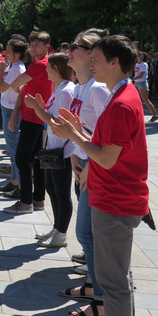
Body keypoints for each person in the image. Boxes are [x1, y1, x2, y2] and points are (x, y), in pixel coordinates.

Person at [51, 36, 149, 316]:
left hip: (114, 200)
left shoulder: (120, 103)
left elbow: (106, 158)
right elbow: (105, 147)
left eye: (96, 59)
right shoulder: (121, 94)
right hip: (114, 196)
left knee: (113, 282)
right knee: (118, 276)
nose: (91, 65)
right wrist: (78, 133)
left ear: (114, 62)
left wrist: (74, 136)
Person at [56, 29, 110, 316]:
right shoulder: (80, 86)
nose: (70, 50)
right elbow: (82, 129)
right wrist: (77, 156)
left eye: (76, 46)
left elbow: (105, 134)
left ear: (90, 55)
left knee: (87, 234)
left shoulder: (98, 89)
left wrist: (89, 163)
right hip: (83, 164)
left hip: (93, 167)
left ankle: (101, 300)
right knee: (87, 232)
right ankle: (92, 285)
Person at [23, 53, 75, 247]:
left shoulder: (67, 91)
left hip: (63, 150)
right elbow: (53, 115)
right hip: (54, 146)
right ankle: (57, 227)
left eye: (48, 67)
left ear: (56, 68)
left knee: (61, 193)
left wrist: (37, 109)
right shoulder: (60, 89)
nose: (45, 70)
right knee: (52, 191)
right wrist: (42, 107)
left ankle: (61, 234)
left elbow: (59, 123)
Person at [4, 31, 53, 214]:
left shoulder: (40, 65)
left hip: (34, 118)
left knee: (22, 159)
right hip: (34, 117)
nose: (32, 48)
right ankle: (38, 199)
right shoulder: (40, 64)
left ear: (46, 47)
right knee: (36, 161)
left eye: (37, 45)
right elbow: (23, 88)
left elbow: (17, 84)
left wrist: (19, 88)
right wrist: (16, 110)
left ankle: (26, 202)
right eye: (31, 44)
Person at [0, 38, 29, 198]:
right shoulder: (14, 67)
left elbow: (1, 88)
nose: (5, 54)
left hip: (11, 109)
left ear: (16, 53)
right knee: (12, 148)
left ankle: (19, 185)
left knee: (14, 150)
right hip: (8, 108)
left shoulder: (16, 68)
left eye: (8, 51)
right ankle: (15, 182)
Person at [131, 52, 157, 122]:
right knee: (136, 100)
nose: (140, 57)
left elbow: (140, 75)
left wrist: (131, 80)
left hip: (142, 83)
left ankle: (155, 115)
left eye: (142, 56)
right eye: (139, 55)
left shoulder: (144, 64)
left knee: (146, 100)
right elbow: (136, 74)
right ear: (137, 57)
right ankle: (136, 116)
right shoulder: (137, 64)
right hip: (136, 83)